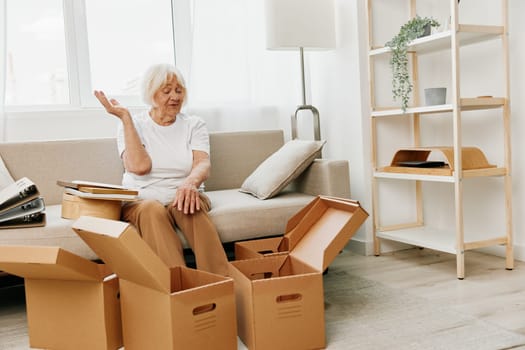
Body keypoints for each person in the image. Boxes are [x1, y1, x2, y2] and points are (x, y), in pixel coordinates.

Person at [94, 63, 229, 276]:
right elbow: (139, 167)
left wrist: (190, 184)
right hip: (141, 200)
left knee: (188, 204)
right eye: (166, 91)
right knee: (152, 210)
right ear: (150, 94)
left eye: (179, 90)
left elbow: (202, 163)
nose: (174, 96)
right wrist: (126, 119)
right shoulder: (132, 124)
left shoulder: (194, 124)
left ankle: (222, 285)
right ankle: (177, 288)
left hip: (185, 193)